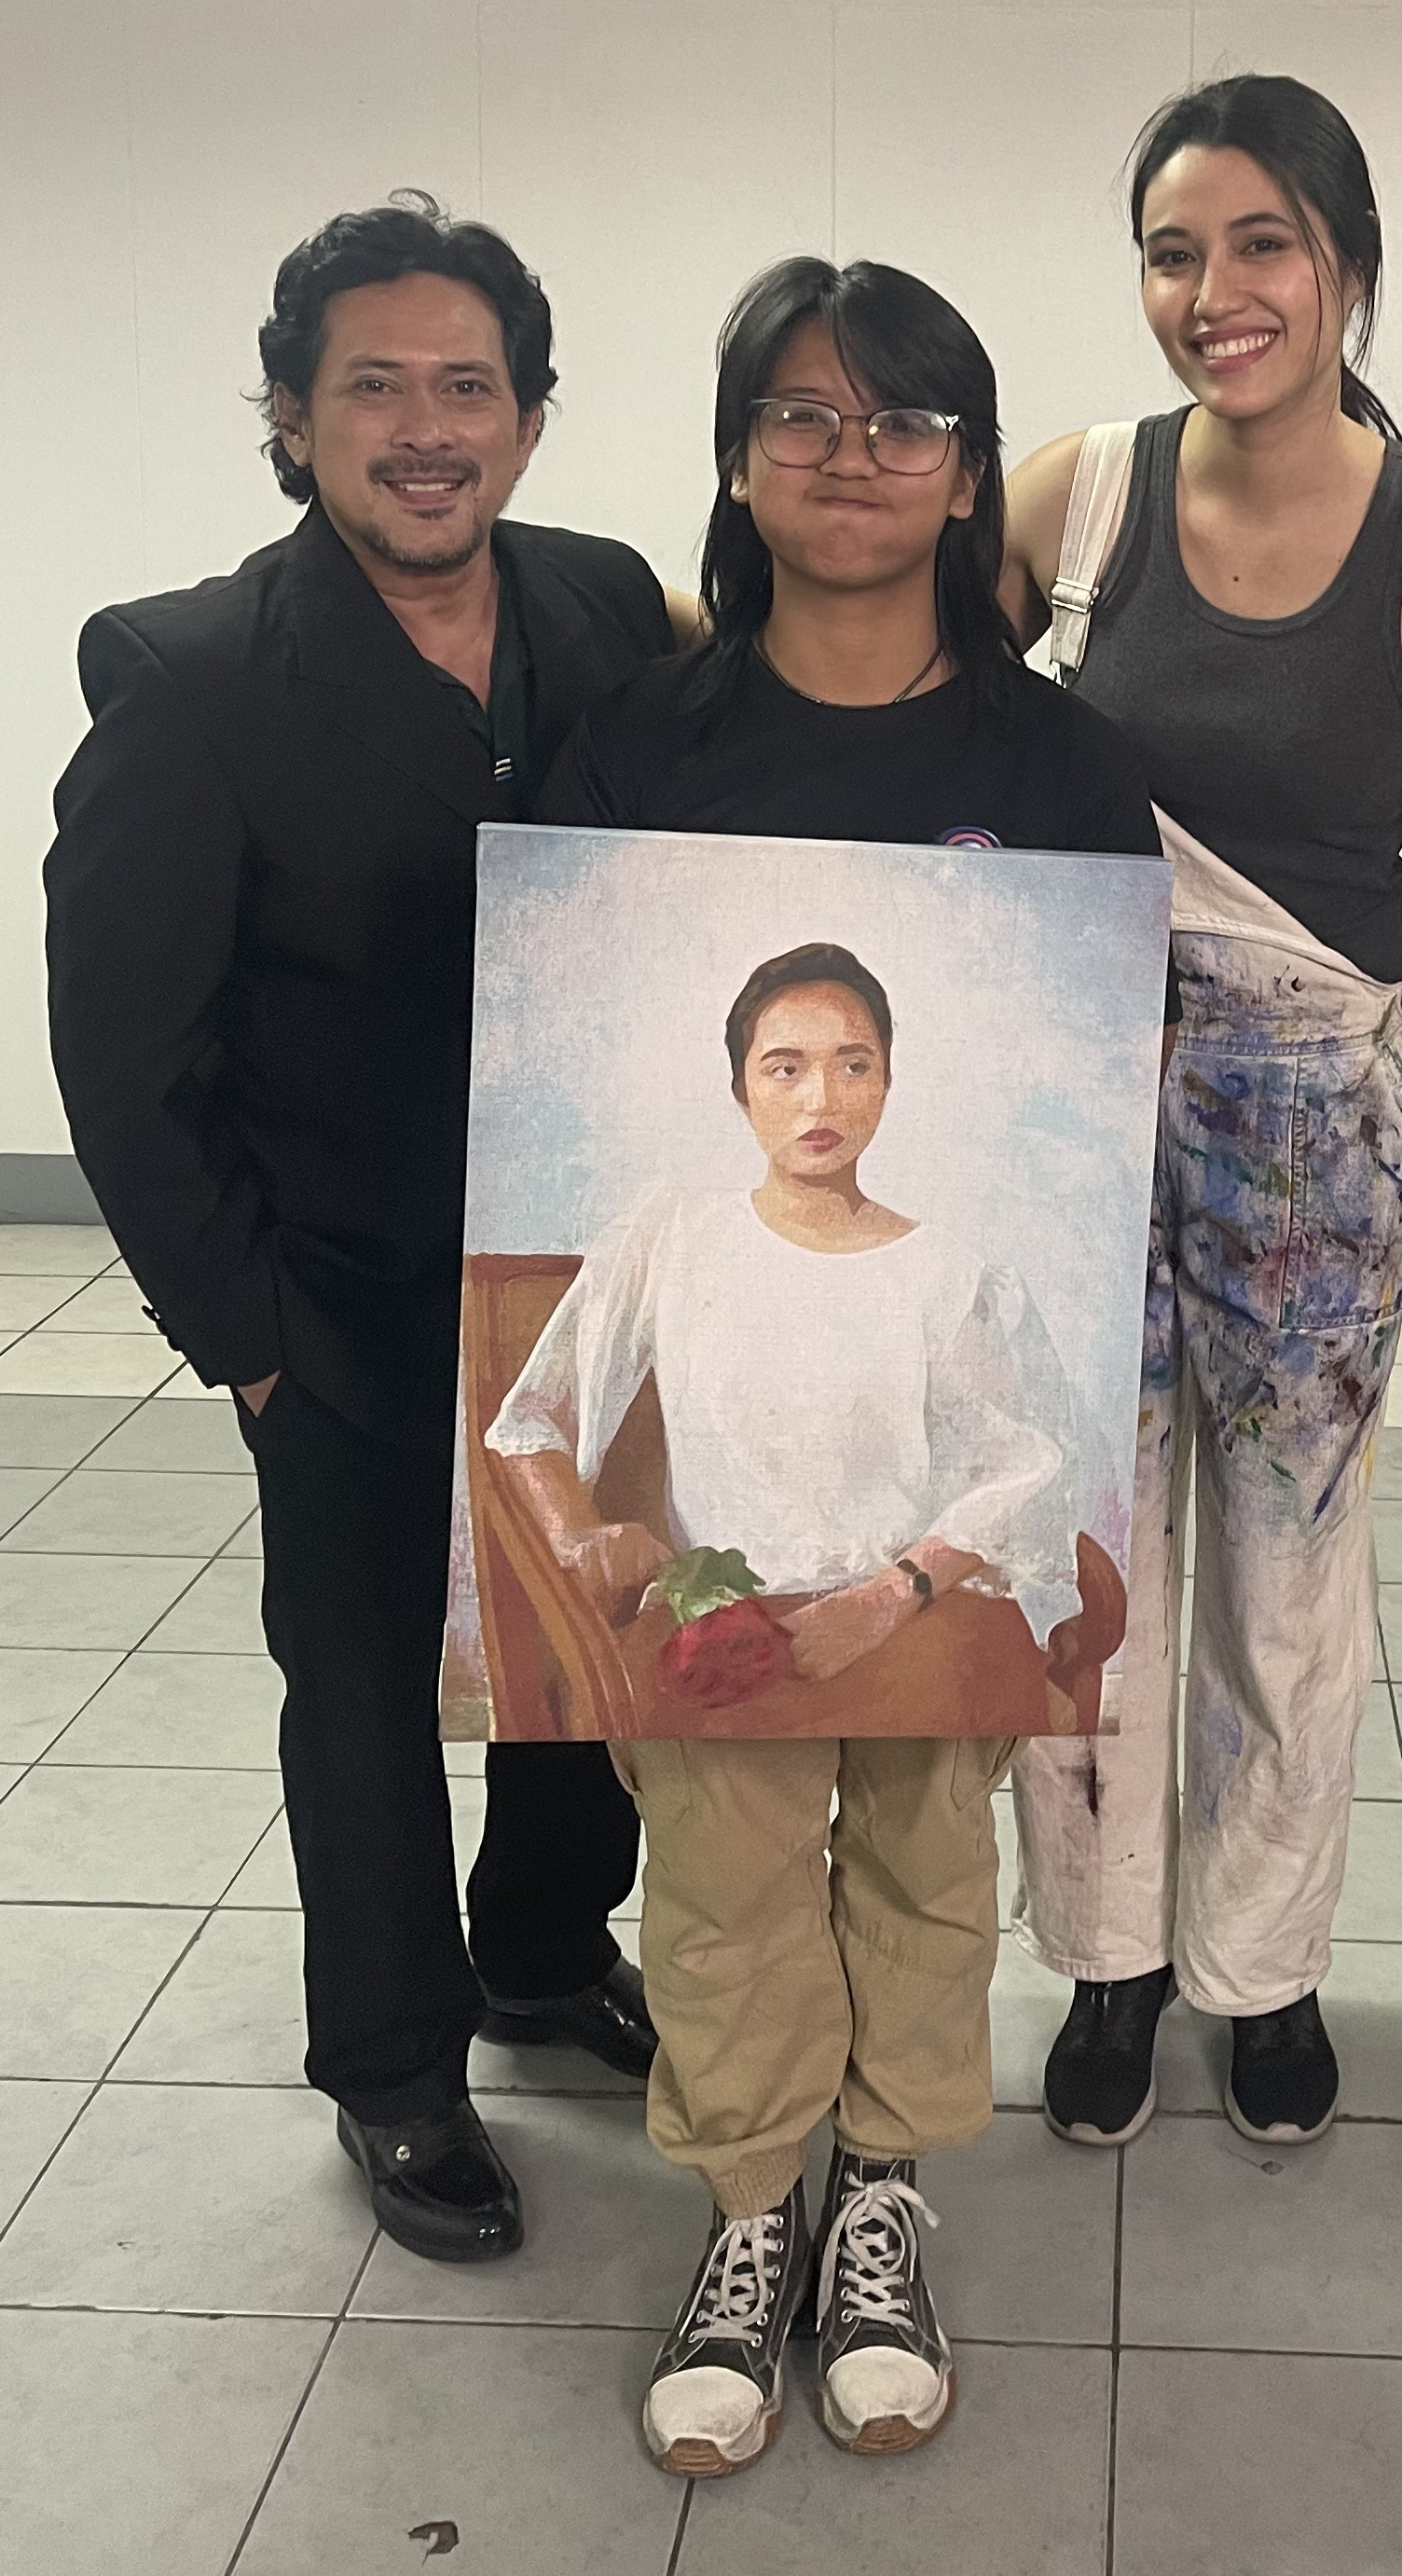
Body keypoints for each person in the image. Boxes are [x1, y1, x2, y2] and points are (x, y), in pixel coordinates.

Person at [537, 254, 1168, 2476]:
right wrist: (603, 1528)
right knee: (719, 1889)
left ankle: (880, 2196)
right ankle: (746, 2209)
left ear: (969, 470)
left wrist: (924, 1563)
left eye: (904, 421)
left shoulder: (1056, 764)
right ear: (737, 461)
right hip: (723, 1555)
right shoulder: (642, 749)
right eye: (798, 416)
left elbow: (1112, 1065)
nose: (852, 457)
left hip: (923, 1548)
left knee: (922, 1863)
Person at [44, 194, 683, 2265]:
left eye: (468, 386)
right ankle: (397, 2067)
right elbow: (121, 1052)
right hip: (336, 1292)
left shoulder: (603, 603)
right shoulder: (192, 676)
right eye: (375, 387)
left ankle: (539, 1949)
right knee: (363, 1681)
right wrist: (244, 1334)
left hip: (588, 1265)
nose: (428, 428)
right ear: (293, 417)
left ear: (529, 416)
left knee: (582, 1640)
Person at [1003, 75, 1402, 2149]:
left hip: (1313, 1122)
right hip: (1074, 1090)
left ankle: (1265, 1962)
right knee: (1088, 1537)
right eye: (1172, 252)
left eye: (1260, 245)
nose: (1212, 292)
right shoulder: (1079, 498)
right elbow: (904, 697)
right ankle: (1110, 1956)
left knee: (1290, 1562)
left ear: (1347, 265)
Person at [485, 941, 1093, 1685]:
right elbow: (530, 1419)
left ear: (888, 1080)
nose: (821, 1099)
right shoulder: (672, 1235)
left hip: (909, 1629)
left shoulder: (950, 1273)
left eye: (854, 1065)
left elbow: (1023, 1469)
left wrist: (885, 1599)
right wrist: (577, 1535)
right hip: (729, 1642)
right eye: (785, 1068)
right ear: (742, 1089)